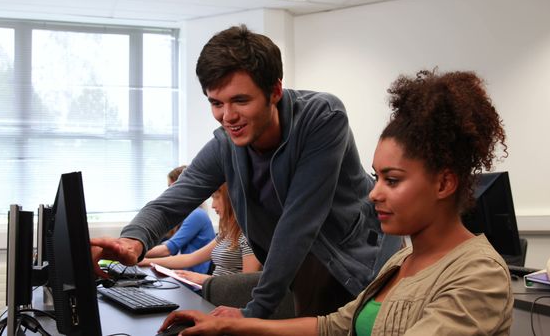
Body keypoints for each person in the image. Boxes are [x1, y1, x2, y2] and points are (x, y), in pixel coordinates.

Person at [158, 69, 514, 335]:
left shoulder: (477, 274)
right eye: (376, 178)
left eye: (392, 180)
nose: (374, 193)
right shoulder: (402, 260)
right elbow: (334, 325)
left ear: (445, 183)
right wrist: (236, 325)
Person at [90, 24, 402, 319]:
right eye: (216, 103)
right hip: (300, 267)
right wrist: (133, 240)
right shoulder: (226, 145)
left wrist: (254, 312)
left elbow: (299, 222)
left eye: (240, 100)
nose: (228, 116)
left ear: (275, 91)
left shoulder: (321, 118)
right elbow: (174, 200)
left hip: (356, 262)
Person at [139, 183, 261, 285]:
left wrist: (204, 279)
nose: (213, 205)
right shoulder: (228, 233)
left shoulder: (249, 236)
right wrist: (146, 262)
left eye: (216, 197)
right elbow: (190, 258)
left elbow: (247, 284)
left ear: (231, 199)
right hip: (215, 294)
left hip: (228, 302)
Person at [143, 165, 216, 274]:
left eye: (171, 187)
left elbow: (167, 250)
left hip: (192, 278)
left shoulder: (197, 215)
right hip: (181, 272)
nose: (169, 193)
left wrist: (136, 254)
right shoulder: (183, 214)